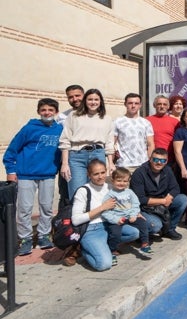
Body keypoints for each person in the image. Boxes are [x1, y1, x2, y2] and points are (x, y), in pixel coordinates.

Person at [4, 98, 62, 255]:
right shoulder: (29, 129)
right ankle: (25, 238)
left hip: (48, 174)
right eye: (43, 110)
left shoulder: (60, 129)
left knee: (46, 207)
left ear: (56, 112)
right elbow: (12, 150)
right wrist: (11, 170)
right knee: (24, 208)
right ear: (39, 112)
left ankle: (44, 235)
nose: (47, 112)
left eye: (50, 110)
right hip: (26, 175)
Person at [70, 159, 139, 270]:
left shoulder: (110, 187)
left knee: (134, 233)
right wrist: (102, 208)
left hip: (110, 224)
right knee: (104, 264)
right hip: (92, 229)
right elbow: (76, 220)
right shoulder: (83, 191)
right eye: (96, 174)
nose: (100, 176)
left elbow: (123, 204)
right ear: (89, 175)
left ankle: (105, 246)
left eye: (102, 172)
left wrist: (134, 213)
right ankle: (83, 250)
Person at [59, 88, 115, 200]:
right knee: (77, 192)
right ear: (85, 100)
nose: (93, 102)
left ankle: (95, 217)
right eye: (90, 99)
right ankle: (78, 216)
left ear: (100, 102)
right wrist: (64, 164)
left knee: (97, 191)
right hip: (77, 156)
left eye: (96, 99)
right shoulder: (74, 116)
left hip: (98, 155)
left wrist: (110, 163)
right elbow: (65, 140)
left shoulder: (107, 119)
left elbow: (109, 143)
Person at [130, 148, 187, 240]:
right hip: (145, 208)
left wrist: (170, 197)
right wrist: (163, 201)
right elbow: (140, 199)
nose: (159, 163)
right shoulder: (139, 173)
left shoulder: (167, 170)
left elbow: (175, 188)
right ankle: (144, 233)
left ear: (166, 162)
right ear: (150, 159)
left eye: (162, 160)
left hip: (161, 204)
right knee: (155, 226)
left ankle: (169, 229)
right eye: (156, 159)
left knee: (183, 199)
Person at [101, 167, 153, 259]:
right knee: (115, 233)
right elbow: (105, 211)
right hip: (116, 219)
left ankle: (145, 244)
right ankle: (112, 250)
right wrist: (116, 219)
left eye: (125, 181)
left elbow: (136, 204)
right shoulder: (110, 195)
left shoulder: (130, 192)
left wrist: (134, 215)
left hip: (129, 216)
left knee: (143, 223)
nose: (122, 183)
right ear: (113, 180)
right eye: (119, 180)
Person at [56, 85, 84, 210]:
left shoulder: (94, 114)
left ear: (83, 95)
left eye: (77, 95)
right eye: (71, 97)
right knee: (67, 193)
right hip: (68, 158)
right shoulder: (62, 117)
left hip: (89, 158)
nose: (74, 99)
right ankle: (66, 224)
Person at [113, 93, 155, 173]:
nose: (133, 106)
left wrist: (150, 162)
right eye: (130, 103)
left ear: (140, 105)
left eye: (136, 103)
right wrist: (112, 161)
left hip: (142, 164)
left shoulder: (146, 123)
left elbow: (151, 144)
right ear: (125, 104)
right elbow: (112, 143)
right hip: (123, 165)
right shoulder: (117, 122)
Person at [146, 95, 179, 162]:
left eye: (164, 104)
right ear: (154, 105)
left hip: (170, 160)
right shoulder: (146, 121)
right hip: (152, 159)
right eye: (159, 104)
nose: (162, 106)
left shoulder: (175, 122)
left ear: (168, 107)